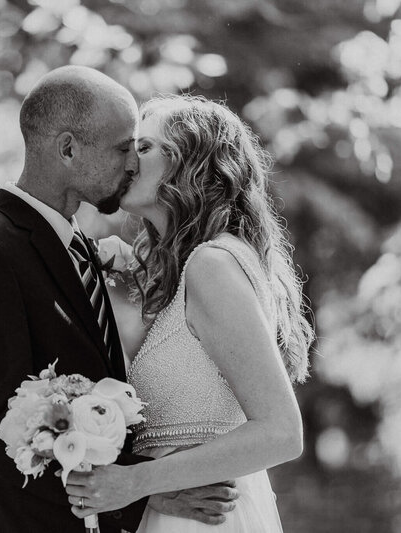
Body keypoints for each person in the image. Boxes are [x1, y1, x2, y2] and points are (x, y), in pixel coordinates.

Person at [0, 68, 239, 533]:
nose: (133, 164)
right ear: (69, 149)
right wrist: (140, 487)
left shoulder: (83, 245)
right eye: (122, 148)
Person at [64, 95, 314, 532]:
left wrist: (134, 481)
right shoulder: (198, 268)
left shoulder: (212, 266)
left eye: (143, 148)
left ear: (192, 164)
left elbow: (281, 432)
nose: (127, 161)